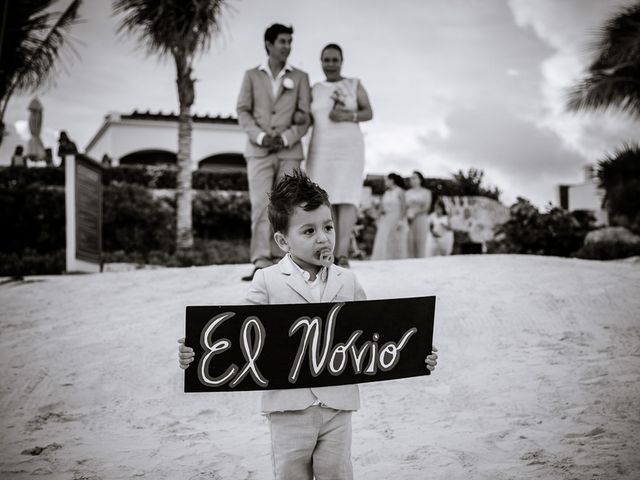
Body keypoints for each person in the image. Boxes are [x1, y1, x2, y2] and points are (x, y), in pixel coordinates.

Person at [178, 170, 438, 480]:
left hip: (338, 406)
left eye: (328, 227)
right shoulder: (268, 280)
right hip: (288, 409)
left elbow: (377, 332)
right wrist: (196, 350)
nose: (323, 237)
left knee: (337, 474)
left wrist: (416, 349)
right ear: (283, 240)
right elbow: (236, 332)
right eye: (309, 231)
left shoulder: (348, 280)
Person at [236, 23, 312, 282]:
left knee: (288, 206)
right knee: (260, 205)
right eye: (282, 41)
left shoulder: (301, 77)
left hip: (289, 151)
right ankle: (260, 261)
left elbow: (304, 117)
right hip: (258, 151)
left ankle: (287, 261)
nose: (287, 46)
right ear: (268, 43)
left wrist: (285, 137)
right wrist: (260, 136)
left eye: (290, 41)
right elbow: (243, 110)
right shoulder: (251, 75)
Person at [305, 43, 373, 268]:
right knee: (324, 200)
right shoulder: (314, 89)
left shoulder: (354, 84)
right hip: (321, 149)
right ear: (321, 62)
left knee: (347, 198)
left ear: (342, 61)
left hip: (349, 150)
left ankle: (342, 254)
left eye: (335, 60)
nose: (331, 64)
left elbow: (368, 112)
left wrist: (347, 115)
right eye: (326, 60)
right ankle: (326, 252)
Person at [370, 173, 408, 260]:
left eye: (387, 180)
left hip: (396, 217)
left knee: (394, 238)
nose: (385, 182)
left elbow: (403, 207)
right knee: (383, 237)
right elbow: (381, 207)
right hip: (386, 218)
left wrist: (401, 220)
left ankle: (394, 258)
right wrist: (377, 216)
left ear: (392, 180)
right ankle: (383, 258)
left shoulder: (400, 191)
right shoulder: (386, 193)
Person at [406, 171, 432, 258]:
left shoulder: (426, 192)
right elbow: (405, 207)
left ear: (420, 179)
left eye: (414, 178)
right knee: (410, 242)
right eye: (411, 178)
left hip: (421, 218)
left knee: (421, 241)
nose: (412, 180)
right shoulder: (407, 193)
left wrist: (415, 213)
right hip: (409, 220)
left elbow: (427, 207)